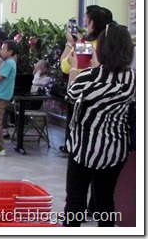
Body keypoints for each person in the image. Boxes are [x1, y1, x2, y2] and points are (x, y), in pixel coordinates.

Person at [63, 23, 135, 227]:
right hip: (115, 149)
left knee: (75, 202)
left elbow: (72, 95)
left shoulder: (89, 76)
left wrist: (75, 67)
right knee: (105, 201)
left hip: (83, 149)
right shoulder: (133, 79)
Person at [59, 6, 113, 154]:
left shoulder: (87, 47)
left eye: (86, 19)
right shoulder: (112, 46)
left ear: (92, 24)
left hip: (82, 95)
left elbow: (65, 65)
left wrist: (71, 43)